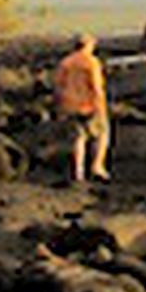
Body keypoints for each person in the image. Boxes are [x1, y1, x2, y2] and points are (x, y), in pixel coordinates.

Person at [53, 33, 110, 182]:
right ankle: (97, 166)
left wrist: (60, 106)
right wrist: (101, 106)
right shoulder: (91, 62)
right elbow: (96, 86)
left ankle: (78, 171)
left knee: (78, 138)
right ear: (88, 45)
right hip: (89, 105)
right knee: (102, 135)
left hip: (70, 105)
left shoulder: (65, 63)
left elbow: (58, 86)